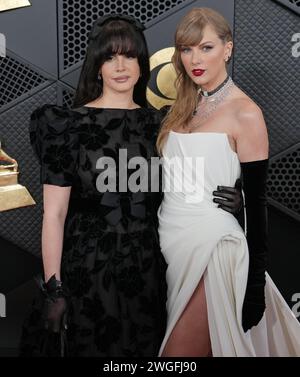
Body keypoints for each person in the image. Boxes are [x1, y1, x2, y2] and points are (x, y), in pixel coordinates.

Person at [19, 14, 241, 357]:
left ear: (142, 64)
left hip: (152, 271)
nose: (120, 66)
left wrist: (231, 199)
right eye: (110, 57)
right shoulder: (66, 125)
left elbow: (192, 186)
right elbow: (55, 213)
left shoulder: (165, 126)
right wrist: (54, 288)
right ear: (97, 66)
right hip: (87, 272)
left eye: (129, 56)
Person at [156, 7, 300, 357]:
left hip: (214, 248)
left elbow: (258, 202)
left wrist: (253, 288)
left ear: (228, 49)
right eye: (186, 49)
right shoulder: (182, 109)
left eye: (206, 47)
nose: (195, 59)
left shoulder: (245, 113)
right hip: (174, 247)